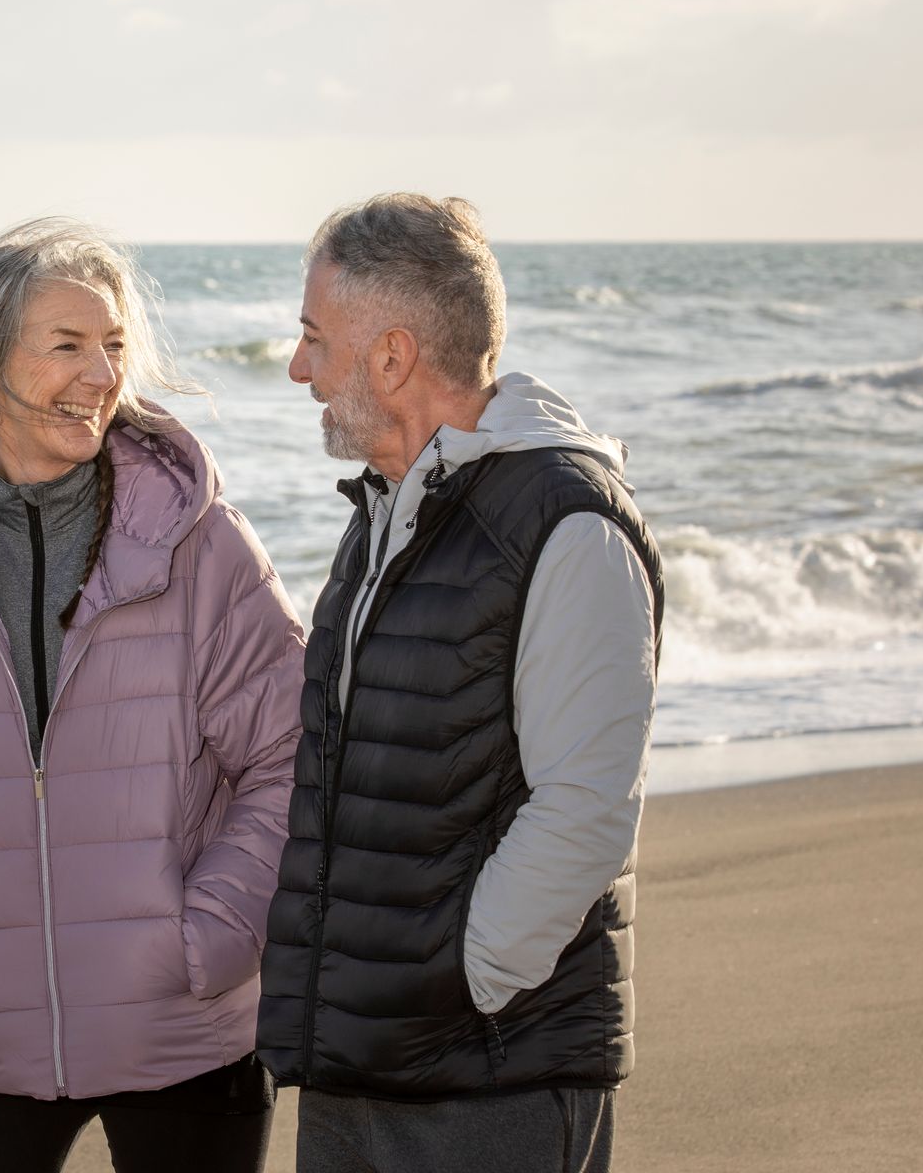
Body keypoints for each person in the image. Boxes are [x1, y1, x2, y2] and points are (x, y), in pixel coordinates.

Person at [0, 218, 305, 1173]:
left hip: (184, 1031)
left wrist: (212, 938)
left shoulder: (202, 548)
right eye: (67, 346)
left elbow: (288, 757)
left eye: (112, 347)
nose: (100, 374)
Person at [255, 194, 664, 1173]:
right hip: (364, 1058)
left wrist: (466, 978)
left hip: (488, 1075)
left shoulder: (566, 521)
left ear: (392, 356)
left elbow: (584, 803)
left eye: (315, 336)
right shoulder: (394, 509)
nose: (296, 365)